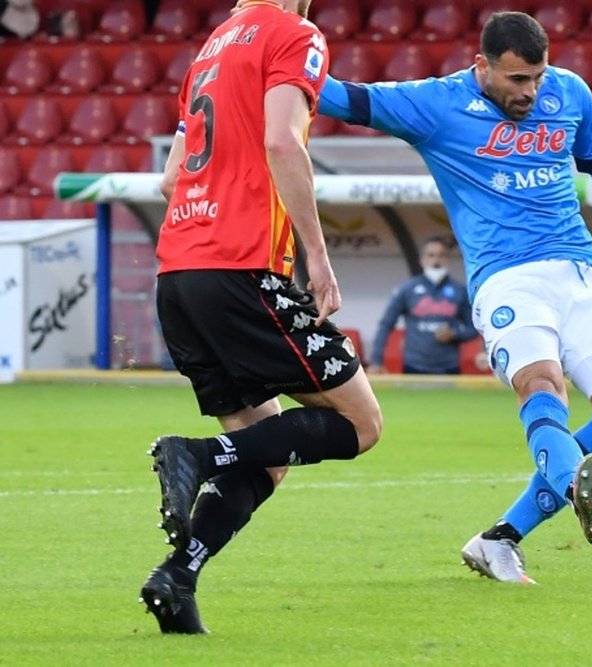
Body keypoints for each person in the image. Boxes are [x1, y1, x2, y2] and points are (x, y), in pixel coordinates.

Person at [317, 10, 592, 584]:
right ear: (482, 66)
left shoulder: (569, 92)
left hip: (582, 269)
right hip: (508, 276)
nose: (532, 91)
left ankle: (500, 540)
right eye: (518, 80)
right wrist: (263, 62)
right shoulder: (437, 104)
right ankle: (577, 484)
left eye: (538, 77)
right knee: (541, 385)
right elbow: (342, 98)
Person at [140, 0, 382, 634]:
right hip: (242, 268)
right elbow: (280, 140)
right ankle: (194, 453)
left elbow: (171, 179)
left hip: (178, 274)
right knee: (360, 423)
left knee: (267, 456)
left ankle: (178, 578)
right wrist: (319, 259)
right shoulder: (294, 33)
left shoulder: (212, 48)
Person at [368, 235, 477, 375]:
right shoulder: (407, 289)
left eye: (441, 255)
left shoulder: (459, 291)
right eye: (431, 255)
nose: (436, 261)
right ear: (422, 260)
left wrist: (454, 334)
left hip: (449, 367)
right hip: (414, 366)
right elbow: (385, 324)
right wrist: (376, 361)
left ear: (447, 259)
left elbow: (474, 328)